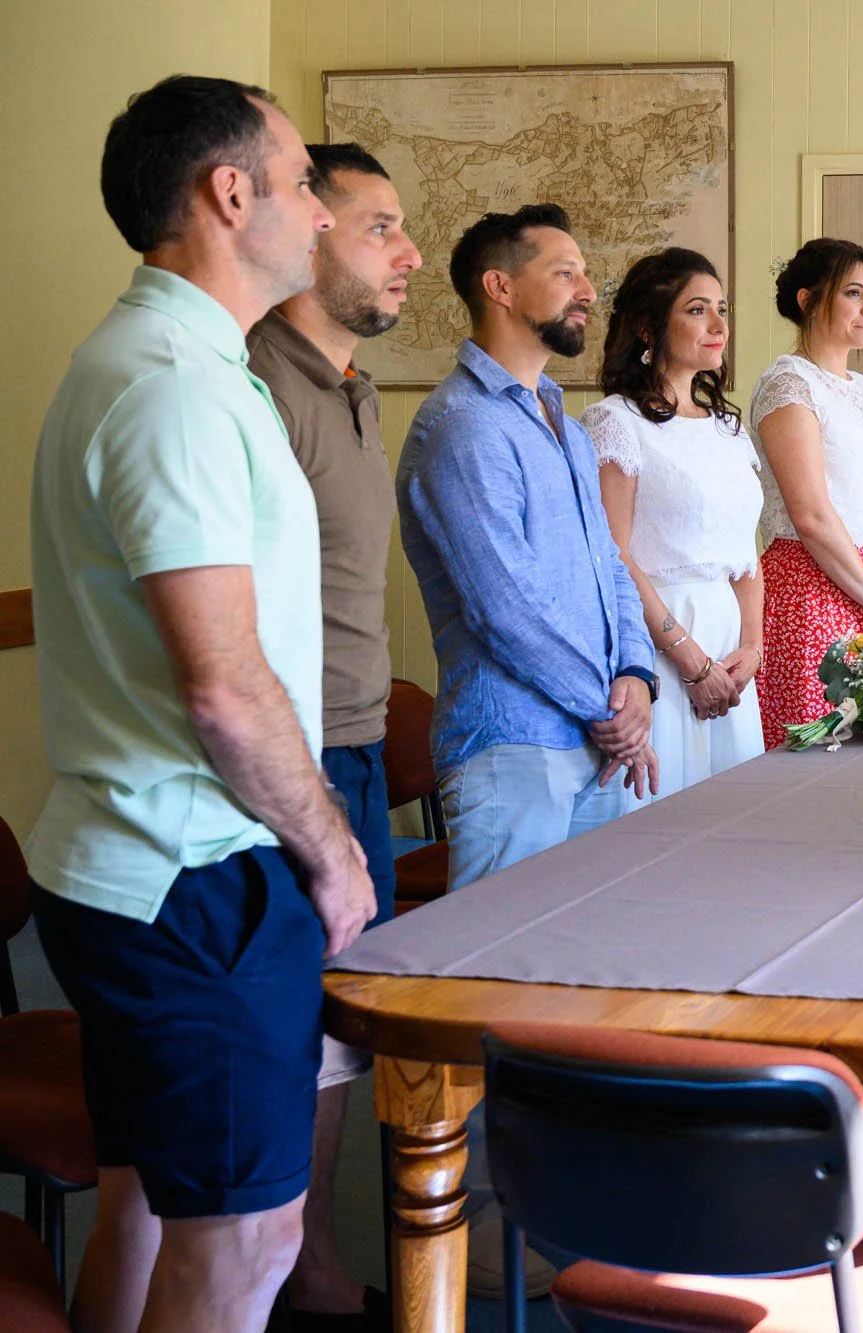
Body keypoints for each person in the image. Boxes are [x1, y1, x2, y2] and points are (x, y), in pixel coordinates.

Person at [25, 75, 369, 1333]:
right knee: (245, 1239)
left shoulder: (161, 359)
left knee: (151, 1209)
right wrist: (332, 851)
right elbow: (223, 688)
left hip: (142, 864)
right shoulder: (172, 383)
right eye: (300, 187)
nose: (322, 218)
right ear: (231, 195)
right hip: (193, 878)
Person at [243, 141, 421, 1333]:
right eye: (377, 227)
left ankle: (307, 1264)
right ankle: (278, 1279)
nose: (406, 253)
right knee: (293, 1038)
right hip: (297, 762)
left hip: (356, 743)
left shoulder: (352, 386)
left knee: (338, 1040)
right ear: (309, 235)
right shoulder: (254, 382)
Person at [397, 202, 658, 891]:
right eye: (565, 271)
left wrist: (637, 675)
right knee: (498, 982)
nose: (587, 292)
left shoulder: (566, 429)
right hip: (511, 747)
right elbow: (505, 606)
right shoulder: (463, 426)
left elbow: (611, 568)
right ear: (501, 287)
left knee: (586, 966)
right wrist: (612, 711)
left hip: (593, 742)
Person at [582, 248, 764, 794]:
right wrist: (688, 659)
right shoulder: (616, 423)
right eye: (697, 310)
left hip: (729, 649)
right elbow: (613, 555)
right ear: (647, 327)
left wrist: (751, 648)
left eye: (722, 310)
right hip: (659, 642)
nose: (717, 326)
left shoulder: (728, 429)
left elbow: (746, 557)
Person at [748, 238, 863, 749]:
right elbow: (812, 515)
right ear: (807, 300)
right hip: (813, 589)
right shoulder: (788, 384)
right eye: (853, 293)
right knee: (813, 758)